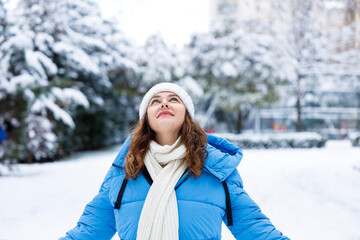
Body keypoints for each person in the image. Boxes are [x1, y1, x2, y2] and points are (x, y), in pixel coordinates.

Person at [60, 82, 289, 240]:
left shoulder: (216, 170)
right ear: (146, 117)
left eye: (173, 99)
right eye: (155, 101)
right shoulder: (125, 172)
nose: (164, 104)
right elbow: (88, 231)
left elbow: (256, 229)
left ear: (186, 114)